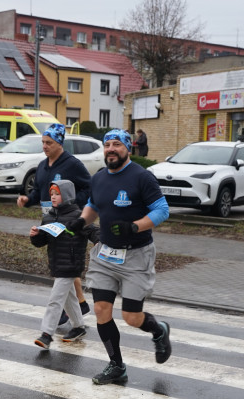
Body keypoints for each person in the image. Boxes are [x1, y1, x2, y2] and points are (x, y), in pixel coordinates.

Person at [65, 129, 172, 385]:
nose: (111, 149)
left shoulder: (141, 177)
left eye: (116, 144)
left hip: (136, 255)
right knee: (101, 309)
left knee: (132, 317)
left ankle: (159, 331)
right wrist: (82, 221)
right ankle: (116, 366)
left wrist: (135, 227)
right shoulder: (100, 177)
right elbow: (93, 204)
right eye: (107, 145)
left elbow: (162, 210)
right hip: (105, 254)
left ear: (128, 148)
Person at [17, 123, 93, 325]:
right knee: (63, 264)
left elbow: (89, 188)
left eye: (49, 142)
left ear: (59, 143)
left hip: (69, 219)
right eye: (43, 142)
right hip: (50, 219)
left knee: (64, 264)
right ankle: (81, 303)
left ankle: (64, 311)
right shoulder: (42, 165)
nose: (44, 146)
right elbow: (38, 191)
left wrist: (72, 204)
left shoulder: (72, 164)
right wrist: (28, 200)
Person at [29, 180, 98, 349]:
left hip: (72, 265)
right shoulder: (49, 217)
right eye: (51, 194)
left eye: (57, 194)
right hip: (57, 264)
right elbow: (41, 242)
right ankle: (79, 327)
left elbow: (94, 232)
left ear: (66, 196)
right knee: (69, 297)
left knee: (55, 300)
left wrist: (102, 244)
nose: (53, 197)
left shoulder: (78, 216)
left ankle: (46, 334)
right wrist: (35, 235)